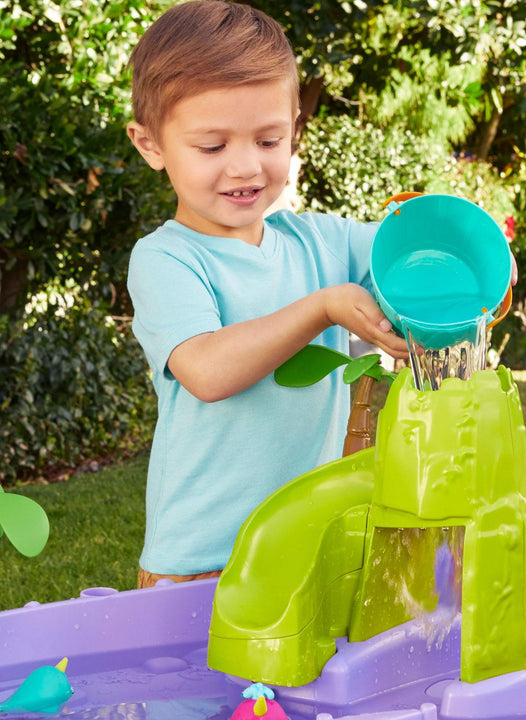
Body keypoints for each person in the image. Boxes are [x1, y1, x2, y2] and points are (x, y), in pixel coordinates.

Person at [125, 0, 409, 587]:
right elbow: (207, 370)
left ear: (293, 134)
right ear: (151, 145)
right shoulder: (167, 259)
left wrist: (477, 252)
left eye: (268, 139)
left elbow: (408, 251)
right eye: (212, 147)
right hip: (203, 562)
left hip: (306, 551)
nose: (245, 167)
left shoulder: (322, 241)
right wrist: (321, 307)